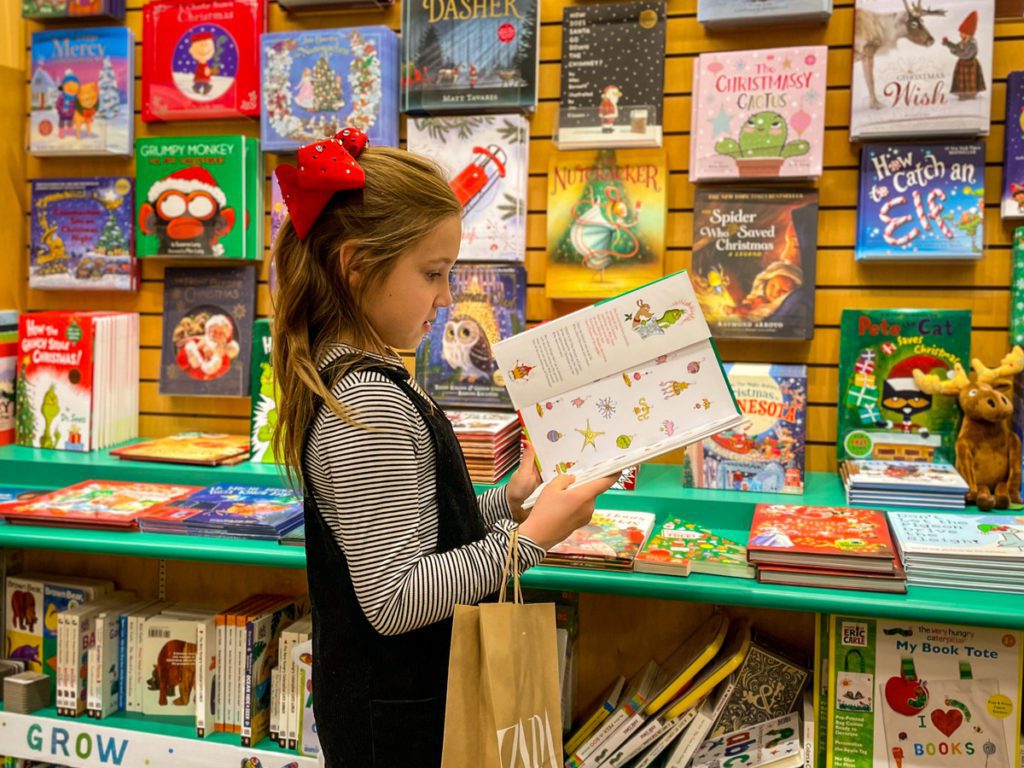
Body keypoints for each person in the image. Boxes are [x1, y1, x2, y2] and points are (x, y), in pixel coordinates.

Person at [270, 127, 618, 767]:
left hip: (409, 705)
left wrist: (511, 501)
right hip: (399, 724)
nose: (447, 296)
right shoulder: (369, 404)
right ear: (354, 266)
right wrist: (531, 540)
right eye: (433, 273)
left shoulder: (370, 375)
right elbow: (396, 596)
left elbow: (423, 529)